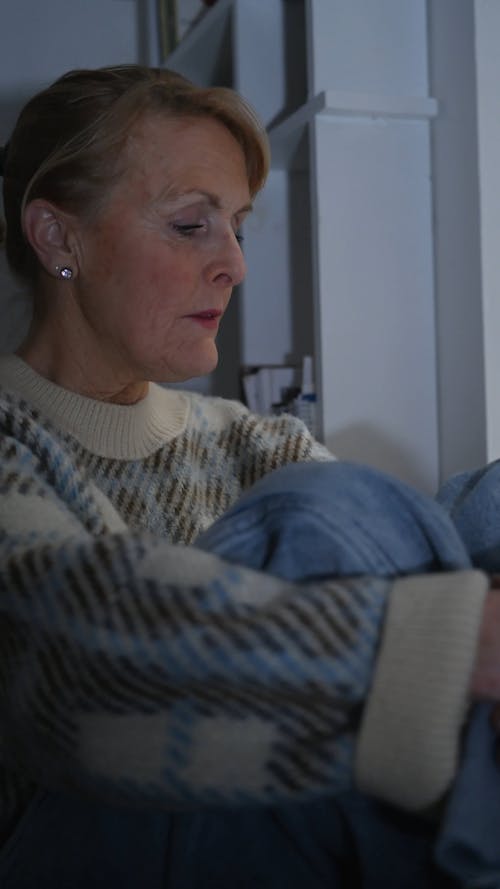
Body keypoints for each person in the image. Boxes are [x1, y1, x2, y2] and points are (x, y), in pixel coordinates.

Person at [0, 64, 499, 889]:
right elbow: (63, 656)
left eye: (237, 225)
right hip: (74, 847)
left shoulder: (252, 442)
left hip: (260, 830)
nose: (234, 263)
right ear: (60, 238)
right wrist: (452, 648)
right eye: (193, 224)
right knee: (327, 508)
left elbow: (419, 543)